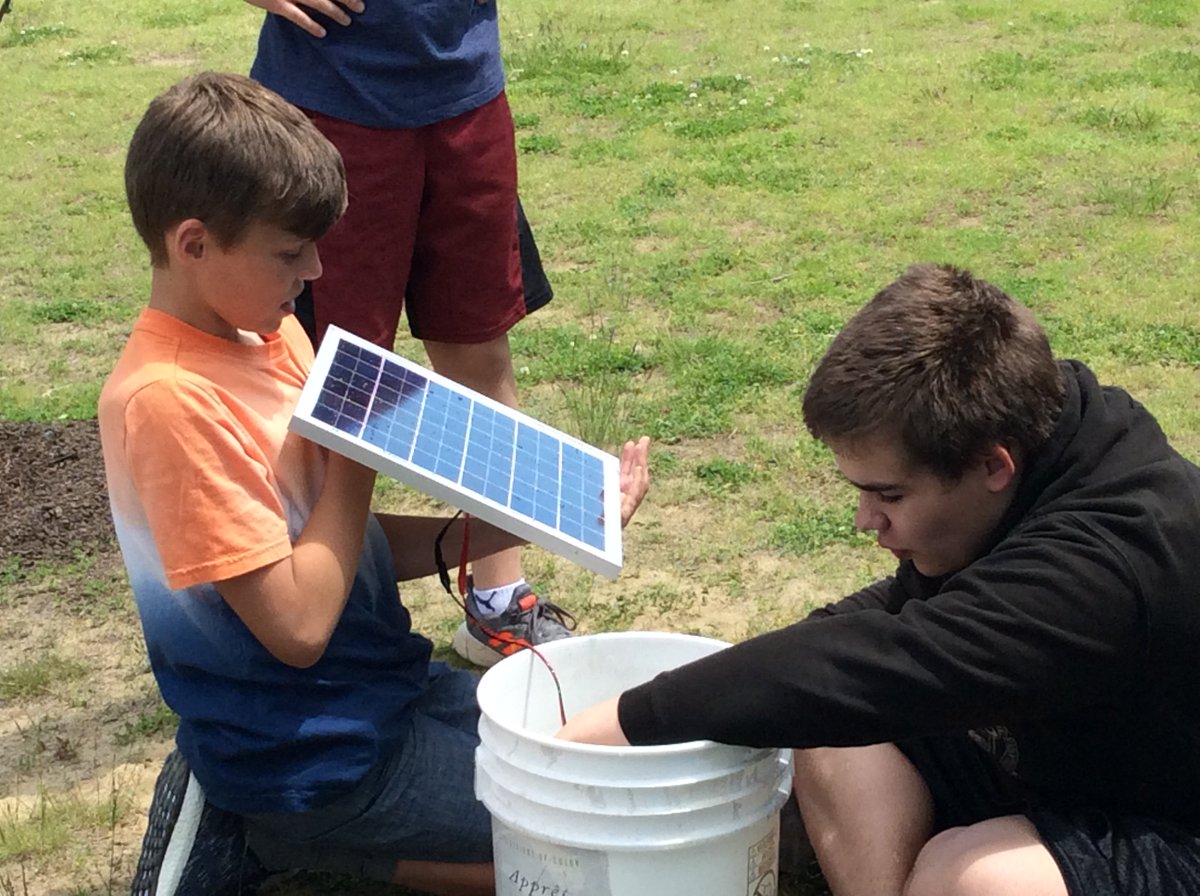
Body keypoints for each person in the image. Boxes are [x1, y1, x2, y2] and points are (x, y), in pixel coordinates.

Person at [103, 72, 650, 896]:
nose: (316, 269)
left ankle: (300, 830)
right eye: (290, 252)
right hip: (310, 755)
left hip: (387, 693)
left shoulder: (270, 335)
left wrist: (554, 516)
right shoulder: (168, 404)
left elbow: (340, 546)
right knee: (601, 857)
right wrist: (354, 453)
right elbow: (298, 627)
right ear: (194, 244)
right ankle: (284, 833)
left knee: (621, 774)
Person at [559, 263, 1200, 896]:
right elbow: (854, 650)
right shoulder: (1040, 426)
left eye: (888, 494)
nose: (866, 520)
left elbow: (890, 659)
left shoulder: (1101, 568)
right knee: (827, 727)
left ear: (993, 466)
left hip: (1175, 823)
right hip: (1070, 761)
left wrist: (627, 721)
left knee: (974, 878)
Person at [246, 0, 565, 667]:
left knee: (478, 349)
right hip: (329, 106)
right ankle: (316, 600)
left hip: (467, 96)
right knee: (334, 375)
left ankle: (498, 600)